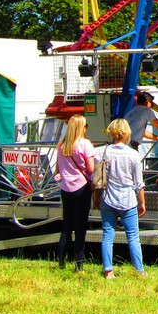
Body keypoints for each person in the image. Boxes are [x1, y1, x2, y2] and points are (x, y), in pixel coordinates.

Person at [96, 118, 147, 279]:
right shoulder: (133, 154)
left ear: (111, 132)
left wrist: (96, 198)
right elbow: (139, 183)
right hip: (128, 200)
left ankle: (108, 270)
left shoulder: (102, 152)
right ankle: (139, 271)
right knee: (133, 237)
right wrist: (142, 202)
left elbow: (96, 178)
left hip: (108, 198)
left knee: (108, 236)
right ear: (127, 133)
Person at [54, 114, 95, 272]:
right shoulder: (85, 144)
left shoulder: (62, 145)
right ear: (81, 127)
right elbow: (91, 169)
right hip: (82, 187)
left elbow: (58, 169)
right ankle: (79, 264)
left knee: (66, 226)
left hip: (65, 188)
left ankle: (61, 262)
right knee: (80, 227)